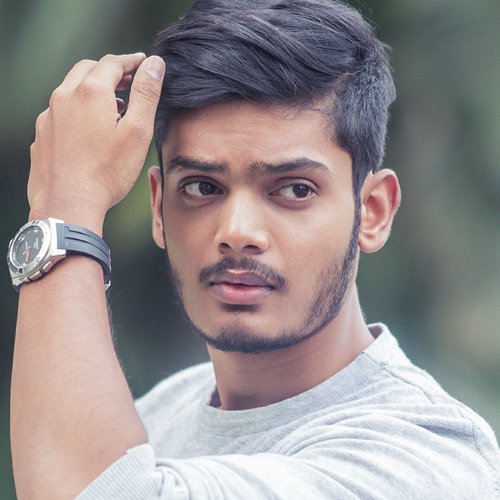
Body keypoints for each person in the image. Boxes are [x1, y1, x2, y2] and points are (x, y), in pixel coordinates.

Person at [8, 0, 499, 498]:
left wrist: (65, 205)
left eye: (295, 189)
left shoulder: (425, 457)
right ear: (158, 208)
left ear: (373, 212)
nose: (238, 231)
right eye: (202, 187)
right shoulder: (157, 415)